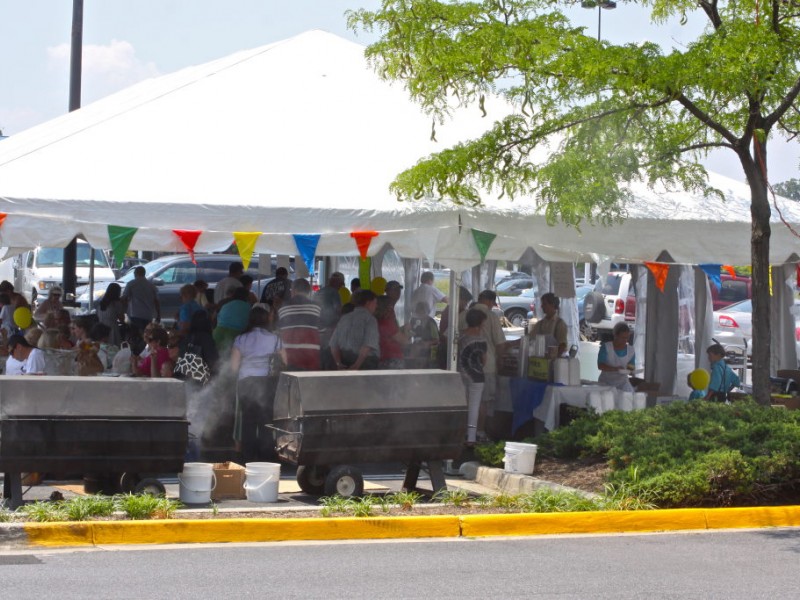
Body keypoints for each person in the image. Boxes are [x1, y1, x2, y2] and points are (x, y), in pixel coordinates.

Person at [230, 306, 285, 461]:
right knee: (266, 420)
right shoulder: (275, 339)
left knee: (248, 421)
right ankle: (267, 458)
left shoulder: (241, 339)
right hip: (267, 383)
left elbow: (234, 367)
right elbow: (286, 361)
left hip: (246, 383)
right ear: (267, 320)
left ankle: (248, 457)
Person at [458, 289, 507, 433]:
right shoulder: (491, 317)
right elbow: (500, 344)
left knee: (466, 401)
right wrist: (500, 360)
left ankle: (464, 433)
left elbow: (446, 336)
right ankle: (479, 432)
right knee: (482, 403)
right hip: (485, 368)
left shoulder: (462, 315)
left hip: (463, 368)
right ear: (491, 302)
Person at [329, 289, 380, 370]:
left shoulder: (344, 318)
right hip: (365, 364)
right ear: (368, 303)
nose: (376, 306)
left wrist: (338, 363)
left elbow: (333, 345)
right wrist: (356, 366)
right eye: (375, 303)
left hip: (344, 362)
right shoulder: (370, 319)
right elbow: (367, 345)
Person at [458, 308, 488, 445]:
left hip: (460, 374)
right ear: (480, 322)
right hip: (476, 375)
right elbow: (484, 360)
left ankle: (459, 434)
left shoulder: (460, 336)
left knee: (461, 405)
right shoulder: (481, 340)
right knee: (474, 406)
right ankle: (470, 438)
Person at [278, 278, 321, 370]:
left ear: (294, 290)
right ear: (309, 292)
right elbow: (321, 329)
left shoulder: (283, 308)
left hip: (290, 355)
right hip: (311, 354)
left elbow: (279, 329)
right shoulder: (317, 307)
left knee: (291, 382)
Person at [314, 271, 345, 368]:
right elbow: (339, 310)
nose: (341, 286)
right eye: (341, 284)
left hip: (317, 329)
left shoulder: (319, 292)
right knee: (329, 356)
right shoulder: (334, 292)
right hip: (329, 330)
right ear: (338, 283)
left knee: (320, 356)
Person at [438, 286, 473, 369]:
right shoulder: (452, 312)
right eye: (465, 303)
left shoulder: (453, 310)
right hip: (448, 348)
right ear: (458, 299)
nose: (466, 305)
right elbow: (446, 334)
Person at [597, 322, 635, 392]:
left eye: (627, 338)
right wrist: (615, 369)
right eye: (622, 338)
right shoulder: (606, 347)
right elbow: (600, 366)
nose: (625, 340)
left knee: (627, 398)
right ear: (615, 336)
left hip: (622, 383)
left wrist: (630, 370)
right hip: (606, 382)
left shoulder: (631, 350)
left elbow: (631, 365)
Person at [213, 286, 251, 355]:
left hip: (217, 333)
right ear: (246, 296)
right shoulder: (248, 307)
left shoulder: (226, 305)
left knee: (217, 361)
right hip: (234, 335)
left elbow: (216, 318)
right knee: (228, 362)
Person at [122, 266, 160, 334]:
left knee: (135, 335)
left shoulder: (131, 284)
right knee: (146, 335)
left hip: (134, 315)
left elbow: (124, 298)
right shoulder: (151, 285)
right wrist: (158, 315)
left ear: (135, 273)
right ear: (144, 273)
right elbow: (156, 301)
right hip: (148, 315)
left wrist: (123, 310)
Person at [530, 292, 568, 356]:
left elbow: (562, 346)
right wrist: (511, 343)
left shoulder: (560, 324)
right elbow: (529, 338)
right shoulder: (540, 323)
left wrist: (553, 359)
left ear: (552, 305)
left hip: (558, 361)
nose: (542, 306)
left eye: (544, 304)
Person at [375, 295, 407, 369]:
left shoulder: (375, 322)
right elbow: (404, 340)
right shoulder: (386, 323)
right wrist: (406, 331)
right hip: (392, 359)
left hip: (381, 358)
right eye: (391, 306)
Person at [406, 300, 440, 368]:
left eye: (422, 310)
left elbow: (437, 340)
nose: (420, 313)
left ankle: (411, 365)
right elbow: (410, 334)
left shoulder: (431, 323)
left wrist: (427, 343)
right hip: (417, 344)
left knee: (416, 348)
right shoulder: (414, 321)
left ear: (427, 312)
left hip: (430, 348)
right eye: (418, 310)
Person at [96, 282, 125, 346]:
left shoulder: (101, 303)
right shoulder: (117, 304)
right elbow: (121, 319)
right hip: (112, 329)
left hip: (101, 329)